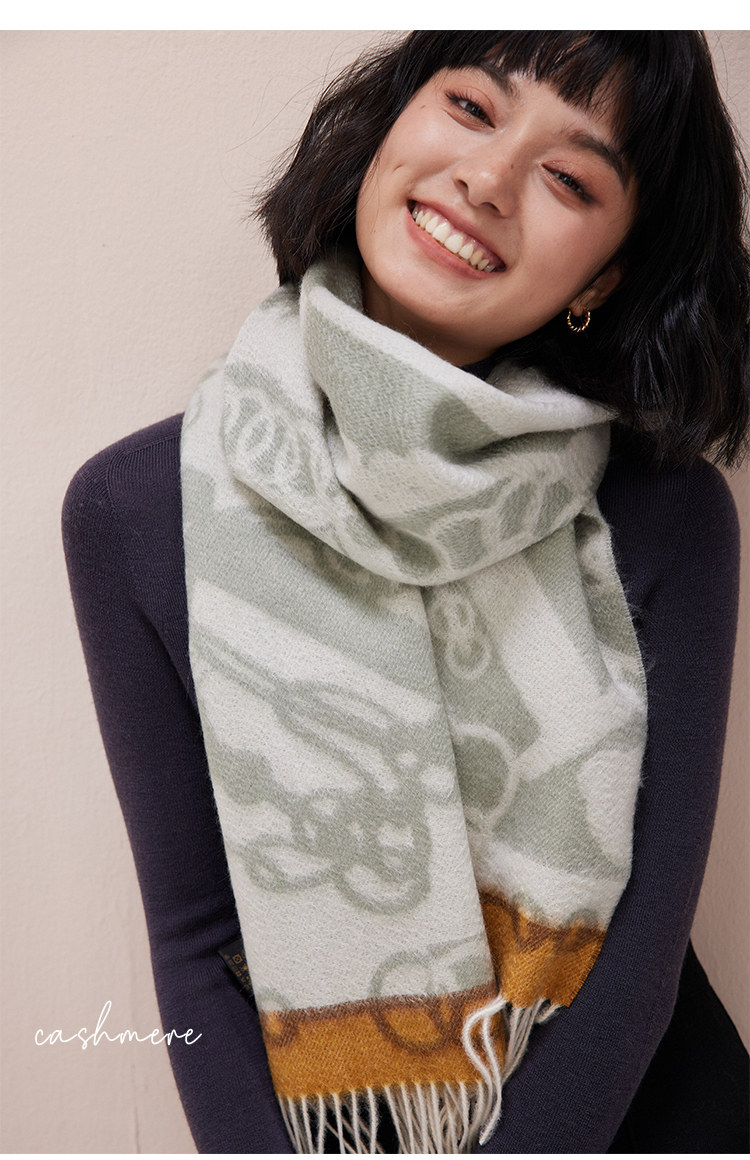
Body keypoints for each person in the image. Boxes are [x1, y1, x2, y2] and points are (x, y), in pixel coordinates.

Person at [62, 31, 749, 1155]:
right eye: (472, 107)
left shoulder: (665, 512)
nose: (488, 179)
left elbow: (642, 959)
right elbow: (194, 940)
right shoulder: (134, 510)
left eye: (569, 177)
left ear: (605, 277)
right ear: (389, 123)